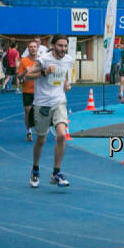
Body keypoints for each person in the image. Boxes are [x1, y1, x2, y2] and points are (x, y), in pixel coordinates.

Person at [25, 34, 74, 188]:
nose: (63, 49)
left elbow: (63, 75)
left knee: (61, 135)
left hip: (59, 101)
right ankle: (35, 169)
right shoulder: (44, 59)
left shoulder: (68, 60)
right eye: (60, 46)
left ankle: (56, 173)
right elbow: (28, 76)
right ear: (53, 45)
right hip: (42, 104)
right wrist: (45, 72)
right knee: (41, 140)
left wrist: (66, 84)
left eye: (65, 46)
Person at [17, 39, 39, 142]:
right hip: (27, 91)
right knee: (28, 112)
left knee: (40, 113)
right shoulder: (24, 61)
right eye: (31, 47)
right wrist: (26, 71)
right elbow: (19, 76)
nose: (33, 48)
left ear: (37, 48)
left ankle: (40, 130)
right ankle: (29, 132)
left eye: (34, 47)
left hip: (40, 91)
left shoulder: (41, 60)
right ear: (28, 48)